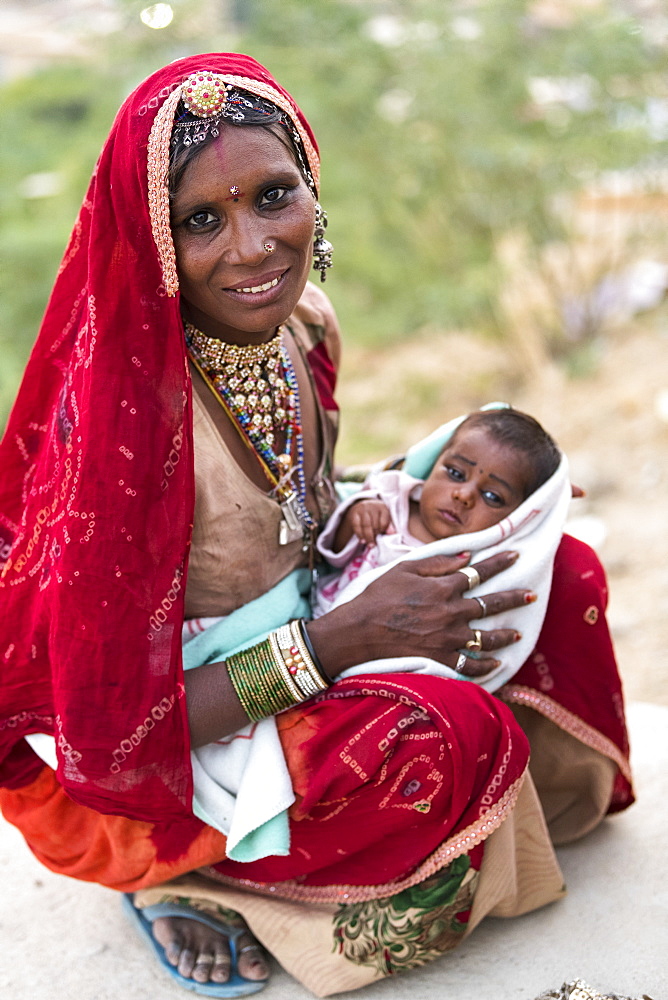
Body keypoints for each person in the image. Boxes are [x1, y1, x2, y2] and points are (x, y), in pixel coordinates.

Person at [0, 53, 633, 1000]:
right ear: (154, 241)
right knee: (440, 740)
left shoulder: (304, 327)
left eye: (274, 195)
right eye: (201, 221)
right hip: (184, 729)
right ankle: (197, 880)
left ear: (312, 192)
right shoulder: (126, 431)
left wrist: (454, 503)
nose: (254, 248)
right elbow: (115, 735)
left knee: (559, 569)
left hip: (320, 604)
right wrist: (342, 640)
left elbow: (297, 499)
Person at [314, 405, 570, 691]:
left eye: (492, 496)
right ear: (435, 462)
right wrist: (356, 515)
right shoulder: (391, 497)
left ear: (518, 517)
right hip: (324, 631)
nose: (463, 495)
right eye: (456, 473)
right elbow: (332, 554)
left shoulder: (480, 557)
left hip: (397, 674)